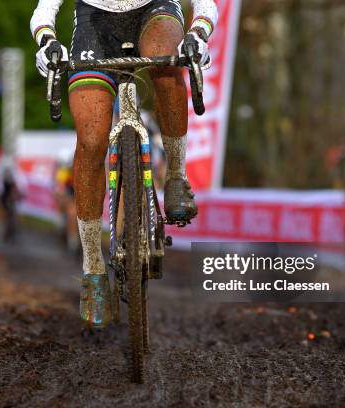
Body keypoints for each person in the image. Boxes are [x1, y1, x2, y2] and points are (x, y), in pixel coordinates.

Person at [30, 0, 218, 329]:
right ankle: (92, 269)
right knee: (90, 141)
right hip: (95, 23)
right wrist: (47, 40)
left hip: (155, 10)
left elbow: (206, 3)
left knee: (166, 62)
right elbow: (45, 9)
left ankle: (176, 177)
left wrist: (199, 33)